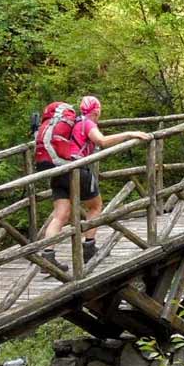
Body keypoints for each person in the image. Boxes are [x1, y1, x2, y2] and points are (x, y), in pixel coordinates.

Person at [35, 95, 150, 270]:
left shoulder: (71, 123)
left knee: (60, 215)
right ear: (96, 111)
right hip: (77, 169)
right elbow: (101, 141)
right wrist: (129, 134)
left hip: (59, 169)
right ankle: (88, 247)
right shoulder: (87, 123)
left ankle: (48, 256)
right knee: (95, 206)